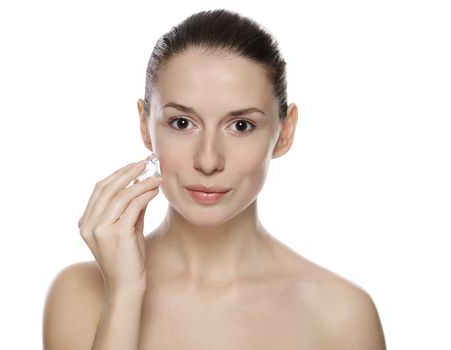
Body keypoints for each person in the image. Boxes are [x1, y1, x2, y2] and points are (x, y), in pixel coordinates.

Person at [42, 8, 387, 350]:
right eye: (181, 123)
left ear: (285, 132)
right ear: (146, 126)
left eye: (241, 126)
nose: (208, 160)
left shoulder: (342, 315)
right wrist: (125, 295)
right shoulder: (82, 294)